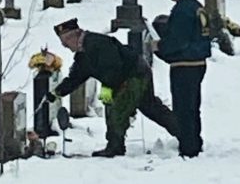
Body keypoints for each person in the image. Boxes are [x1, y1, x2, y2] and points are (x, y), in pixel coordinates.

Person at [46, 18, 180, 158]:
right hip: (127, 76)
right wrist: (56, 93)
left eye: (65, 42)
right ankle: (184, 133)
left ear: (74, 36)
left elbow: (113, 68)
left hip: (133, 75)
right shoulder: (82, 54)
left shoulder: (96, 42)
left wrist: (111, 92)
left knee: (117, 109)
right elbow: (75, 78)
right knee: (150, 108)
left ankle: (115, 147)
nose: (64, 46)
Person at [152, 0, 211, 158]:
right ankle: (194, 141)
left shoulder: (182, 10)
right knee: (193, 106)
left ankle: (189, 147)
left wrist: (158, 46)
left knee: (183, 108)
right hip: (198, 62)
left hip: (185, 64)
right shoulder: (196, 7)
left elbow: (177, 40)